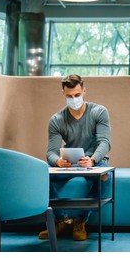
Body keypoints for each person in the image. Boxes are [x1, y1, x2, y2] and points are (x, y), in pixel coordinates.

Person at [38, 74, 111, 241]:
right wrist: (57, 161)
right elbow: (51, 152)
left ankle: (80, 220)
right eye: (69, 96)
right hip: (70, 162)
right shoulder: (56, 120)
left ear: (84, 91)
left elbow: (105, 143)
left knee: (106, 177)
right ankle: (61, 220)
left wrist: (92, 159)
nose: (74, 99)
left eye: (77, 95)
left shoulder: (99, 112)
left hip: (95, 160)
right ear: (63, 93)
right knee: (42, 175)